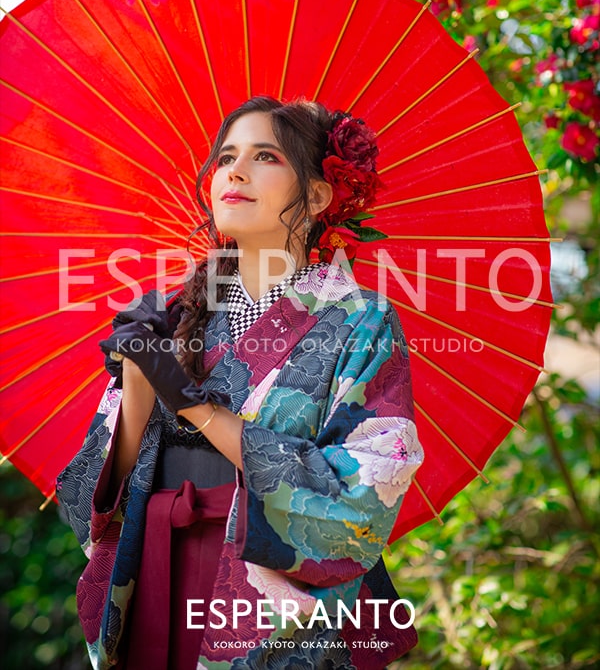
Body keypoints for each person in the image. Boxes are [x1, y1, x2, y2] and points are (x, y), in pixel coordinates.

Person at [56, 96, 424, 670]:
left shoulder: (361, 321)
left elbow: (360, 498)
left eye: (266, 156)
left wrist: (193, 405)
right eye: (227, 156)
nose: (235, 170)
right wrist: (137, 389)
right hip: (158, 568)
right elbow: (89, 502)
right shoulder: (174, 314)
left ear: (320, 195)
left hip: (263, 598)